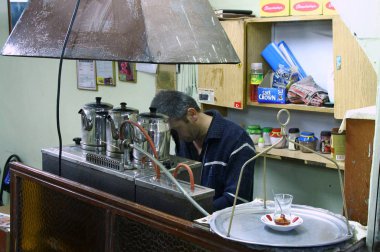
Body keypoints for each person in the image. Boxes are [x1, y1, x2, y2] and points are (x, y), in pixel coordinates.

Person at [150, 90, 256, 211]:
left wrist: (192, 212)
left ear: (192, 114)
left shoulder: (238, 141)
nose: (176, 137)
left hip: (224, 224)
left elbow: (237, 200)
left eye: (176, 130)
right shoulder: (184, 138)